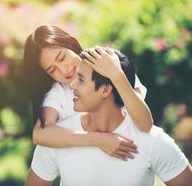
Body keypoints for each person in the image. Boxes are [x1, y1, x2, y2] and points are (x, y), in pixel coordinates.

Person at [25, 48, 192, 186]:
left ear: (105, 90)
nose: (71, 85)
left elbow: (142, 118)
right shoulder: (58, 138)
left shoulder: (152, 141)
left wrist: (116, 75)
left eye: (80, 79)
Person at [24, 25, 153, 159]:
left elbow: (145, 124)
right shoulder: (59, 92)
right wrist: (98, 140)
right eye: (52, 70)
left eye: (62, 58)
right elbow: (39, 134)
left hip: (134, 159)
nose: (63, 70)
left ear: (70, 44)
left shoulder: (111, 63)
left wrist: (115, 74)